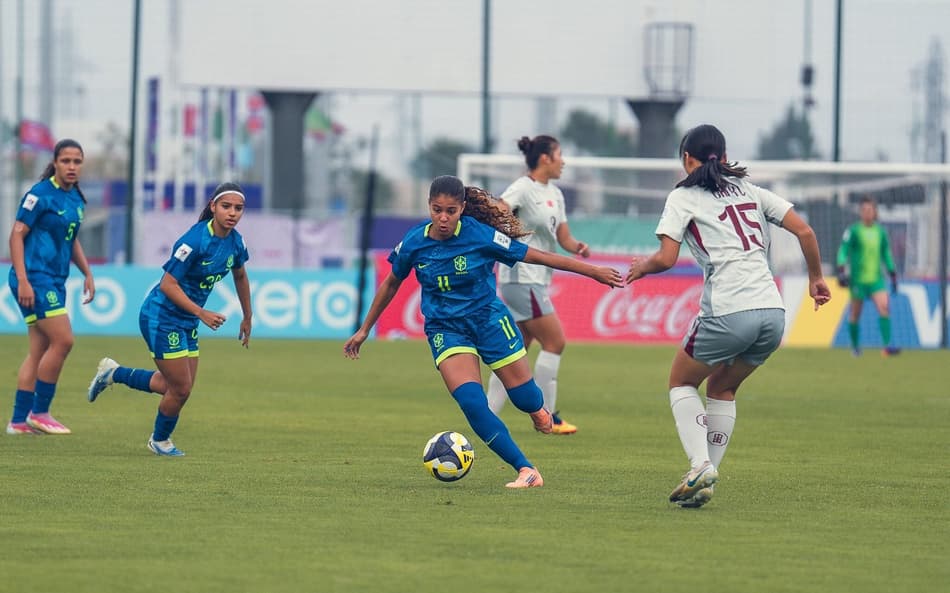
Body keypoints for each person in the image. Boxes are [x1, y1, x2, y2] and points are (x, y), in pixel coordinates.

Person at [343, 175, 623, 488]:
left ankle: (537, 410)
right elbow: (391, 283)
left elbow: (538, 256)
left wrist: (593, 271)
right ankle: (526, 470)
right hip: (446, 329)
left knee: (524, 397)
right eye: (437, 210)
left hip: (488, 321)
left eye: (451, 211)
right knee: (473, 404)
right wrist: (364, 329)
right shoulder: (413, 242)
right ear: (429, 206)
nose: (443, 218)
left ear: (463, 208)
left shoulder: (480, 235)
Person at [625, 124, 831, 508]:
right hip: (772, 313)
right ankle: (706, 481)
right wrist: (816, 278)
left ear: (687, 159)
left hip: (729, 310)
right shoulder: (751, 190)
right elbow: (805, 232)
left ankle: (700, 465)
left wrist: (642, 267)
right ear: (723, 156)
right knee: (722, 388)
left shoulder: (683, 196)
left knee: (681, 382)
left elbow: (667, 259)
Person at [86, 182, 252, 456]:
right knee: (181, 388)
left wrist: (247, 315)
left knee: (174, 387)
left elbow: (241, 275)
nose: (232, 213)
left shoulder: (236, 242)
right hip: (160, 316)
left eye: (238, 208)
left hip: (186, 320)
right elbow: (167, 284)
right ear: (213, 207)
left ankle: (113, 373)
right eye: (226, 206)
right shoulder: (194, 241)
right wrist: (201, 312)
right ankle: (160, 441)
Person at [485, 135, 589, 435]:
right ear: (545, 158)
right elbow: (498, 210)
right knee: (555, 341)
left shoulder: (556, 194)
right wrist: (506, 233)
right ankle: (549, 417)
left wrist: (577, 247)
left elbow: (563, 237)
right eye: (559, 155)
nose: (563, 162)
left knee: (514, 351)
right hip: (521, 277)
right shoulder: (523, 187)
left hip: (537, 279)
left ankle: (487, 413)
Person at [6, 139, 96, 435]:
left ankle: (18, 422)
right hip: (34, 277)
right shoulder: (40, 195)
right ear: (55, 163)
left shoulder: (76, 199)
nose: (72, 166)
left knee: (39, 350)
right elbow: (16, 236)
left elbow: (71, 238)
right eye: (66, 160)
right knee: (64, 340)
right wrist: (23, 280)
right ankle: (40, 412)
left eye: (77, 161)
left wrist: (87, 272)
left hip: (55, 280)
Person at [835, 196, 900, 357]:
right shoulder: (853, 231)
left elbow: (886, 253)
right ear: (860, 212)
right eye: (864, 210)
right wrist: (841, 269)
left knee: (884, 307)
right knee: (855, 314)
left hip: (876, 279)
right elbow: (843, 250)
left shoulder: (881, 232)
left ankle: (886, 347)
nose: (867, 213)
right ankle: (855, 347)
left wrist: (892, 272)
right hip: (858, 280)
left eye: (870, 210)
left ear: (875, 212)